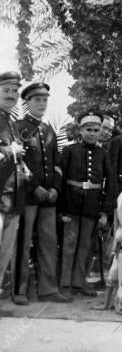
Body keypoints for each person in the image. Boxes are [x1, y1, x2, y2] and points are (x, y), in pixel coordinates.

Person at [13, 82, 68, 304]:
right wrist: (34, 186)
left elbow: (56, 164)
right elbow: (18, 163)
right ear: (27, 103)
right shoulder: (19, 127)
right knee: (23, 243)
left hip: (48, 198)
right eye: (37, 100)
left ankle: (49, 289)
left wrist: (55, 188)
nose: (42, 104)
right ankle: (19, 291)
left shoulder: (48, 131)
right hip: (28, 195)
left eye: (45, 100)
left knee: (48, 242)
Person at [58, 112, 115, 298]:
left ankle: (79, 282)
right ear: (80, 130)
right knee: (69, 243)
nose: (92, 133)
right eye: (88, 129)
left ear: (100, 132)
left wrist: (105, 211)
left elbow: (110, 183)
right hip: (71, 205)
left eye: (96, 130)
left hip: (92, 206)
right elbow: (61, 180)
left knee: (85, 245)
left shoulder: (103, 154)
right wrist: (62, 209)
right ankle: (64, 283)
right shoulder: (69, 151)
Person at [0, 71, 27, 297]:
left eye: (14, 91)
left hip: (13, 198)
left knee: (5, 252)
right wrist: (10, 151)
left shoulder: (12, 124)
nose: (11, 95)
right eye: (6, 90)